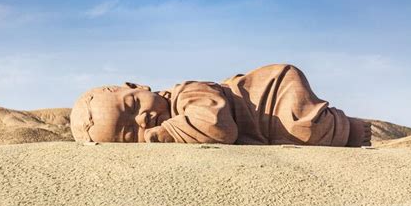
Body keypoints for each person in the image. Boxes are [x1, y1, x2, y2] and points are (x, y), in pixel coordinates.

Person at [70, 64, 371, 146]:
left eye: (133, 104)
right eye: (128, 133)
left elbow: (218, 127)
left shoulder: (187, 93)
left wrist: (153, 136)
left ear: (138, 87)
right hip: (265, 127)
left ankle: (353, 129)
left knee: (302, 129)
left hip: (272, 95)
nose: (143, 119)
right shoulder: (176, 124)